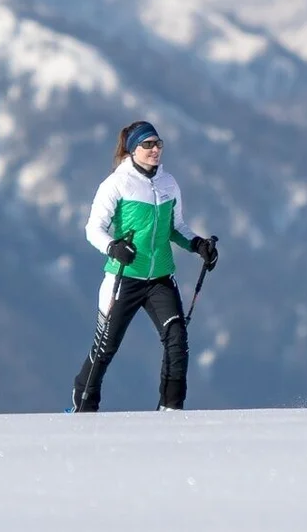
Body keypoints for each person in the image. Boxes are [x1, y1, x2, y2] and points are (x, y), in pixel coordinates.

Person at [71, 121, 219, 412]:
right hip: (123, 277)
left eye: (158, 144)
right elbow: (94, 229)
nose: (155, 150)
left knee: (177, 338)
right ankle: (84, 405)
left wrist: (197, 244)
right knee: (105, 346)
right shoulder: (116, 184)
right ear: (132, 149)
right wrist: (113, 246)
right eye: (147, 145)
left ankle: (171, 408)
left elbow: (175, 227)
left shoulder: (168, 184)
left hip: (160, 278)